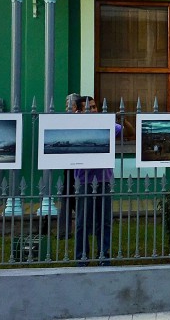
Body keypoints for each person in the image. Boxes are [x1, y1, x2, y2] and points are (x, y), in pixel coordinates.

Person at [74, 96, 122, 266]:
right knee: (82, 222)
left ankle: (104, 256)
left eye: (94, 107)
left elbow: (127, 132)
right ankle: (81, 258)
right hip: (83, 180)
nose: (93, 110)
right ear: (78, 111)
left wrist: (118, 119)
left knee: (104, 221)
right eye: (89, 107)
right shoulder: (74, 126)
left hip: (104, 178)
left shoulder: (106, 124)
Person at [56, 93, 83, 238]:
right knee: (67, 196)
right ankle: (64, 232)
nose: (67, 107)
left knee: (78, 197)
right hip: (69, 166)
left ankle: (82, 227)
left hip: (82, 166)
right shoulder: (64, 120)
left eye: (70, 104)